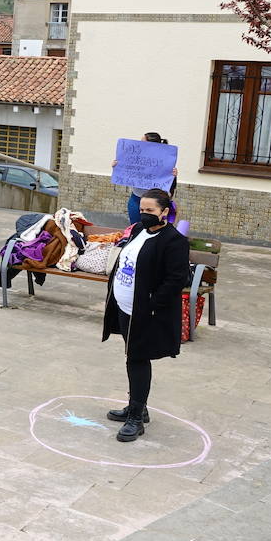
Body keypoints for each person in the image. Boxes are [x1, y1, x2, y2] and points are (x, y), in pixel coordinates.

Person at [101, 188, 191, 443]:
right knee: (132, 356)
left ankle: (136, 418)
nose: (144, 214)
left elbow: (177, 279)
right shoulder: (139, 230)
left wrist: (152, 304)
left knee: (138, 359)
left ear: (164, 211)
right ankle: (137, 406)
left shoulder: (173, 241)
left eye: (150, 210)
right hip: (124, 307)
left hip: (144, 312)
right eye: (142, 210)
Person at [114, 132, 179, 225]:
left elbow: (169, 185)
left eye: (143, 142)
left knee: (152, 228)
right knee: (136, 227)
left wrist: (173, 175)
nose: (140, 144)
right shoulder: (136, 156)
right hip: (136, 199)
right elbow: (126, 169)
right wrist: (117, 166)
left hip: (154, 202)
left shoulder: (164, 160)